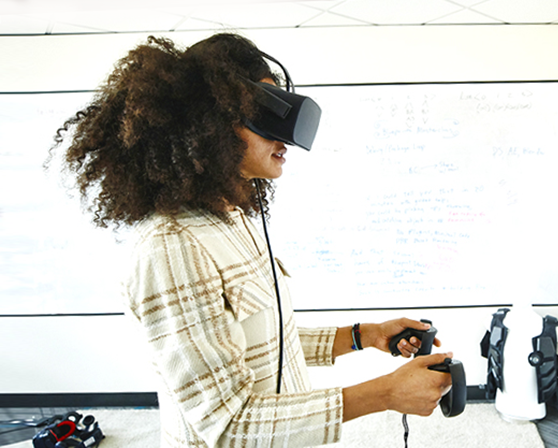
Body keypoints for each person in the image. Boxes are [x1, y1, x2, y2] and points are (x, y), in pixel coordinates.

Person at [50, 33, 453, 447]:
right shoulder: (172, 247)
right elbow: (227, 425)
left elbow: (261, 344)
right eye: (263, 116)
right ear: (210, 125)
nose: (286, 139)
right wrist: (384, 393)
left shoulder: (232, 219)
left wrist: (362, 335)